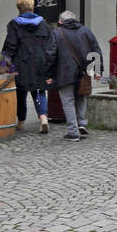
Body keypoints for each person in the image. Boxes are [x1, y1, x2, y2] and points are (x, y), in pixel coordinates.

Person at [0, 0, 54, 134]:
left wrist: (4, 61)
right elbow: (50, 44)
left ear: (19, 9)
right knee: (39, 91)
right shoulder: (43, 23)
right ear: (32, 7)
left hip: (21, 63)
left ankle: (21, 121)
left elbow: (11, 45)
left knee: (21, 92)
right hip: (40, 63)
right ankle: (43, 118)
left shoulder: (14, 24)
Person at [50, 11, 103, 142]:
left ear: (60, 22)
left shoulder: (57, 32)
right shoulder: (86, 31)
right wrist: (97, 71)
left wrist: (48, 74)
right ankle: (82, 124)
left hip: (64, 73)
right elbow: (96, 50)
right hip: (83, 72)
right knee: (81, 97)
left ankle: (73, 132)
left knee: (68, 101)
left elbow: (51, 54)